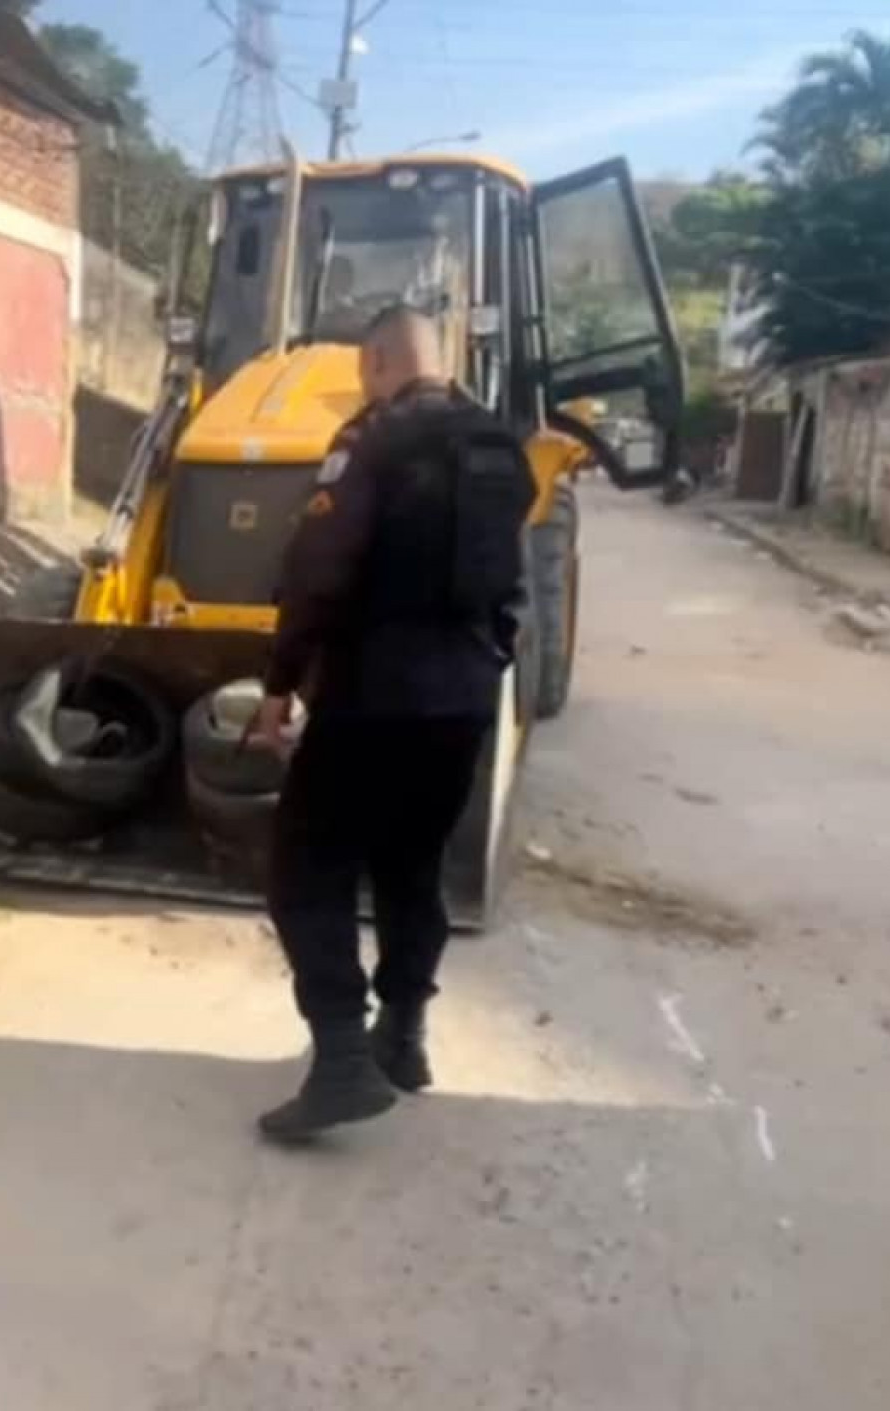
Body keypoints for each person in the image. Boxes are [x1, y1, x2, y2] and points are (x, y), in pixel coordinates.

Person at [249, 307, 536, 1144]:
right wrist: (481, 665)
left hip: (372, 695)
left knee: (307, 866)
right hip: (463, 700)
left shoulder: (371, 441)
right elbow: (513, 586)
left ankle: (341, 1056)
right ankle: (403, 1038)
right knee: (414, 863)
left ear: (376, 361)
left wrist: (280, 683)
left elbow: (317, 573)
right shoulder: (498, 442)